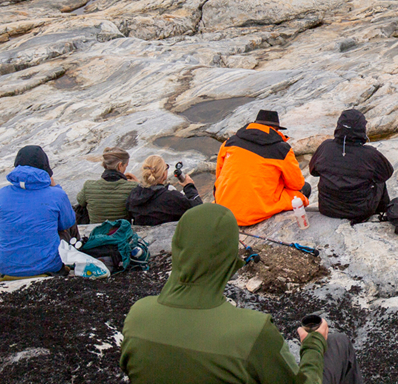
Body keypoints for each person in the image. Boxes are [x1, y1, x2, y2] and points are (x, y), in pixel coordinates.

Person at [120, 204, 364, 384]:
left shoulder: (138, 315)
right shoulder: (251, 331)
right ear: (228, 257)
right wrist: (312, 346)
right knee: (336, 343)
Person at [214, 110, 311, 227]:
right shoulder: (281, 150)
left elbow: (219, 176)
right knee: (305, 189)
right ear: (276, 129)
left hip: (224, 209)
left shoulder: (229, 142)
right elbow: (296, 185)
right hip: (254, 212)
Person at [0, 145, 77, 278]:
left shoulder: (2, 193)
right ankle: (73, 259)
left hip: (6, 266)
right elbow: (67, 223)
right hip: (48, 265)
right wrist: (56, 187)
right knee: (65, 224)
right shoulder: (56, 194)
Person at [307, 109, 393, 223]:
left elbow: (313, 172)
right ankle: (383, 214)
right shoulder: (370, 154)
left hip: (327, 208)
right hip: (360, 211)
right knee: (379, 181)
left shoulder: (325, 146)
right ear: (362, 129)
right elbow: (387, 173)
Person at [127, 155, 204, 226]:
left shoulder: (134, 195)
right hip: (169, 237)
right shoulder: (170, 197)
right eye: (166, 167)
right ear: (164, 174)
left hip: (143, 237)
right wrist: (189, 186)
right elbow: (199, 210)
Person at [75, 146, 136, 224]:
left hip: (96, 233)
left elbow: (80, 200)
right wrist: (139, 185)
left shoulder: (88, 186)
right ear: (120, 165)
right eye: (125, 166)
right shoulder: (132, 187)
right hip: (121, 233)